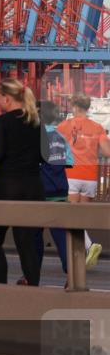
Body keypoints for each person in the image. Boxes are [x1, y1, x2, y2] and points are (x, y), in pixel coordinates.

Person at [0, 78, 46, 286]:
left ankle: (1, 287)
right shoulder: (36, 122)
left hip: (5, 186)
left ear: (7, 99)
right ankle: (33, 287)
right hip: (32, 186)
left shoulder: (1, 122)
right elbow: (43, 156)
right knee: (26, 241)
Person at [57, 94, 109, 267]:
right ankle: (84, 255)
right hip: (90, 177)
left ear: (73, 106)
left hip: (70, 175)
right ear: (87, 107)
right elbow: (107, 152)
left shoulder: (64, 126)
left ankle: (88, 246)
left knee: (70, 218)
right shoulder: (98, 127)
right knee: (82, 218)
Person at [35, 101, 73, 276]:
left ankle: (32, 272)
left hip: (42, 190)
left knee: (34, 234)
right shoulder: (61, 137)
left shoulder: (36, 137)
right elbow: (69, 162)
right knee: (61, 235)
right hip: (60, 190)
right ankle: (71, 272)